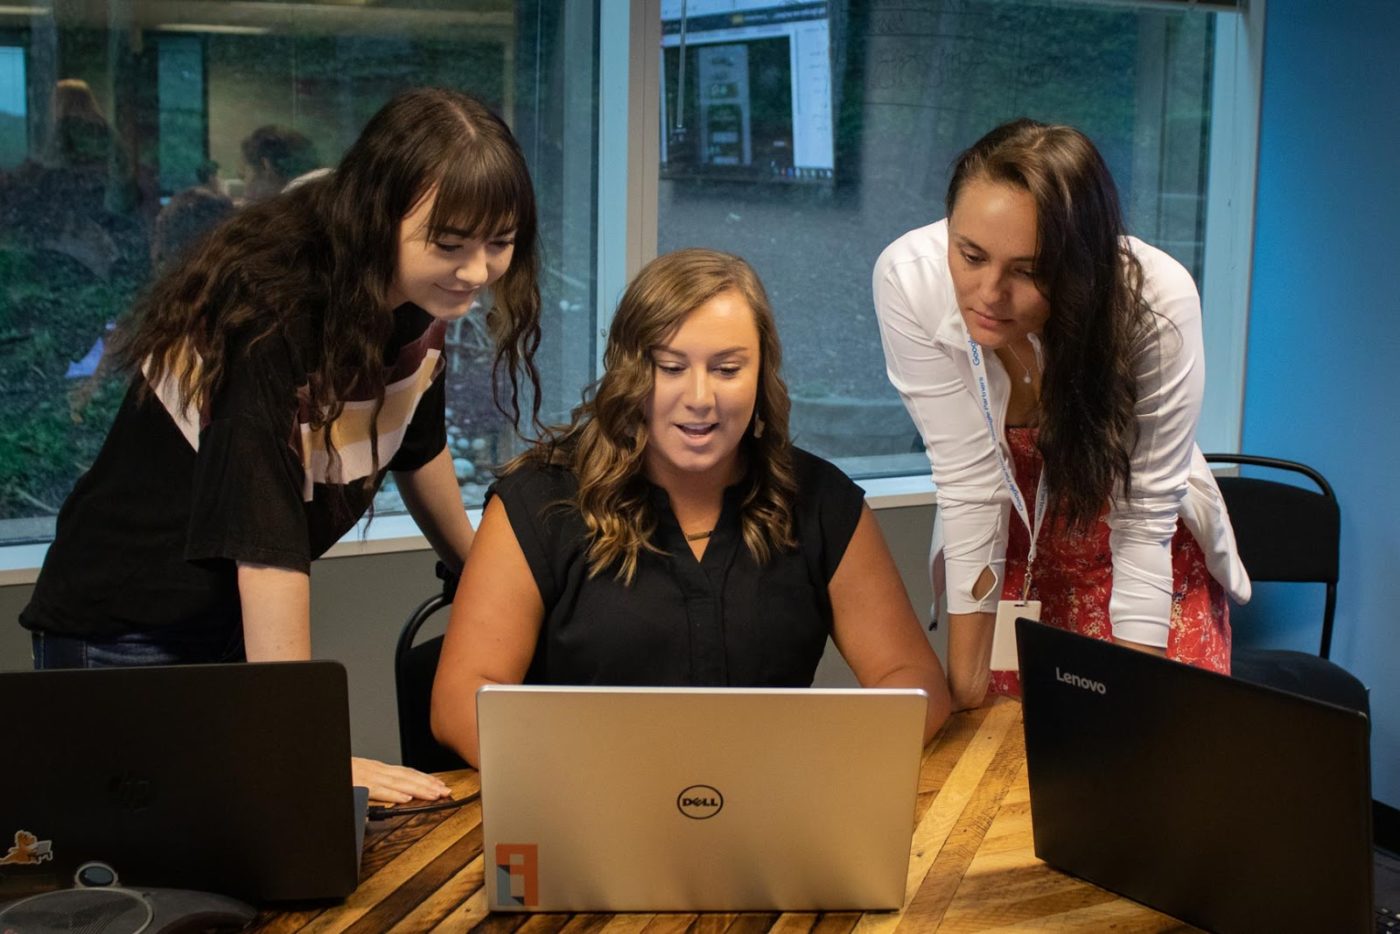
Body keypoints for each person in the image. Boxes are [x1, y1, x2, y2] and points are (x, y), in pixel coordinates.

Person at [19, 87, 542, 803]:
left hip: (223, 621)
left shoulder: (418, 304)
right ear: (379, 216)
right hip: (126, 627)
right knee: (151, 870)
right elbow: (263, 544)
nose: (478, 271)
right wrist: (306, 746)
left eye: (500, 243)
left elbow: (418, 448)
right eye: (449, 245)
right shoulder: (271, 309)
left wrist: (489, 584)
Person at [430, 248, 952, 767]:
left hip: (770, 819)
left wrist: (817, 768)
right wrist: (592, 779)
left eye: (727, 369)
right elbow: (459, 705)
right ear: (630, 371)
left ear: (761, 374)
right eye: (671, 367)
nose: (700, 397)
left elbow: (913, 681)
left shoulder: (819, 500)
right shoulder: (540, 498)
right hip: (586, 812)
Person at [872, 118, 1251, 710]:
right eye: (970, 254)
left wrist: (1130, 722)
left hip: (1135, 543)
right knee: (1002, 752)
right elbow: (970, 485)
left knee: (1146, 749)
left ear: (1079, 267)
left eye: (1027, 271)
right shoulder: (910, 279)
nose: (988, 293)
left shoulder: (1155, 302)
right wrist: (965, 699)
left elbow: (1144, 520)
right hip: (1014, 550)